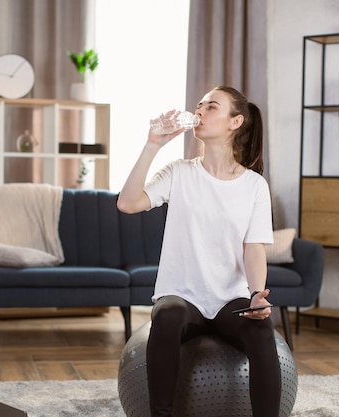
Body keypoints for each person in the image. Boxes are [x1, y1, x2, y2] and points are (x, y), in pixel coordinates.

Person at [117, 85, 282, 417]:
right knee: (167, 316)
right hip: (181, 294)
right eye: (200, 105)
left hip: (230, 299)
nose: (200, 111)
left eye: (212, 107)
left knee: (262, 330)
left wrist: (255, 296)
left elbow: (253, 248)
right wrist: (152, 145)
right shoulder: (180, 173)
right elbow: (127, 203)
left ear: (235, 122)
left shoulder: (254, 186)